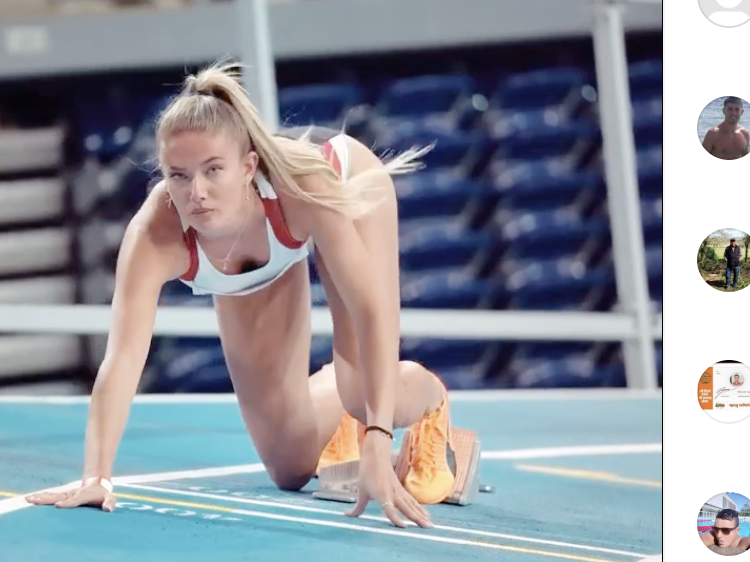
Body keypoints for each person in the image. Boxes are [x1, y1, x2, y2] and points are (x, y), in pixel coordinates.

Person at [24, 61, 464, 529]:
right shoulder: (154, 235)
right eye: (179, 176)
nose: (197, 192)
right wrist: (97, 476)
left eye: (213, 170)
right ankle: (345, 414)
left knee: (361, 393)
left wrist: (378, 435)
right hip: (263, 238)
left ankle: (428, 397)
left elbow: (370, 310)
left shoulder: (304, 188)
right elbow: (123, 359)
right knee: (290, 464)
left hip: (340, 183)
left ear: (247, 166)